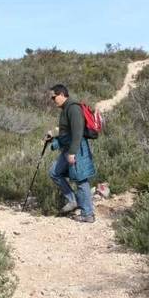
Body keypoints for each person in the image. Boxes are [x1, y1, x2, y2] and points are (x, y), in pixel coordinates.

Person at [45, 84, 96, 223]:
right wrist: (53, 140)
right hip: (69, 149)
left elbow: (77, 132)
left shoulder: (73, 108)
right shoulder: (65, 108)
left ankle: (88, 214)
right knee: (54, 172)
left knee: (81, 180)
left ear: (62, 94)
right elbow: (66, 133)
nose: (53, 100)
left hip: (77, 149)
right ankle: (73, 201)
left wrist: (72, 152)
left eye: (54, 97)